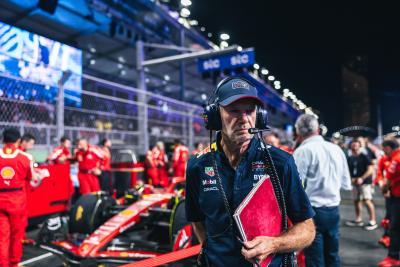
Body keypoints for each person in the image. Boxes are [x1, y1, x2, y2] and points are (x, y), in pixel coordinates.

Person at [185, 77, 315, 267]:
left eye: (250, 110)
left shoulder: (281, 163)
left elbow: (307, 229)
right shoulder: (197, 166)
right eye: (234, 111)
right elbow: (197, 220)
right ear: (215, 115)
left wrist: (274, 244)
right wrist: (212, 249)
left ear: (259, 115)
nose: (244, 119)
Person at [293, 114, 352, 267]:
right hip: (334, 209)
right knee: (332, 255)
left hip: (313, 210)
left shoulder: (303, 151)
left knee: (314, 259)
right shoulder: (336, 149)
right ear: (318, 129)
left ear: (298, 131)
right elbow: (346, 183)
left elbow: (295, 186)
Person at [0, 128, 36, 267]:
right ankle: (14, 264)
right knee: (16, 236)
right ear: (18, 141)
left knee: (2, 237)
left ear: (3, 140)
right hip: (17, 202)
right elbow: (31, 178)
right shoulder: (25, 157)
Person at [345, 139, 377, 230]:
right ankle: (358, 219)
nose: (354, 147)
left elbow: (370, 169)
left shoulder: (364, 156)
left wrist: (361, 178)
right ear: (350, 147)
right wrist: (351, 179)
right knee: (356, 200)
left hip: (365, 182)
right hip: (354, 182)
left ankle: (372, 221)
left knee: (367, 200)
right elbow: (347, 171)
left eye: (356, 145)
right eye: (353, 145)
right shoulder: (350, 158)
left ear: (359, 146)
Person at [378, 139, 400, 267]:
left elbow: (387, 180)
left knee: (395, 228)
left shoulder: (395, 160)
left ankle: (393, 257)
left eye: (384, 148)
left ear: (389, 147)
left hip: (397, 198)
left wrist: (384, 188)